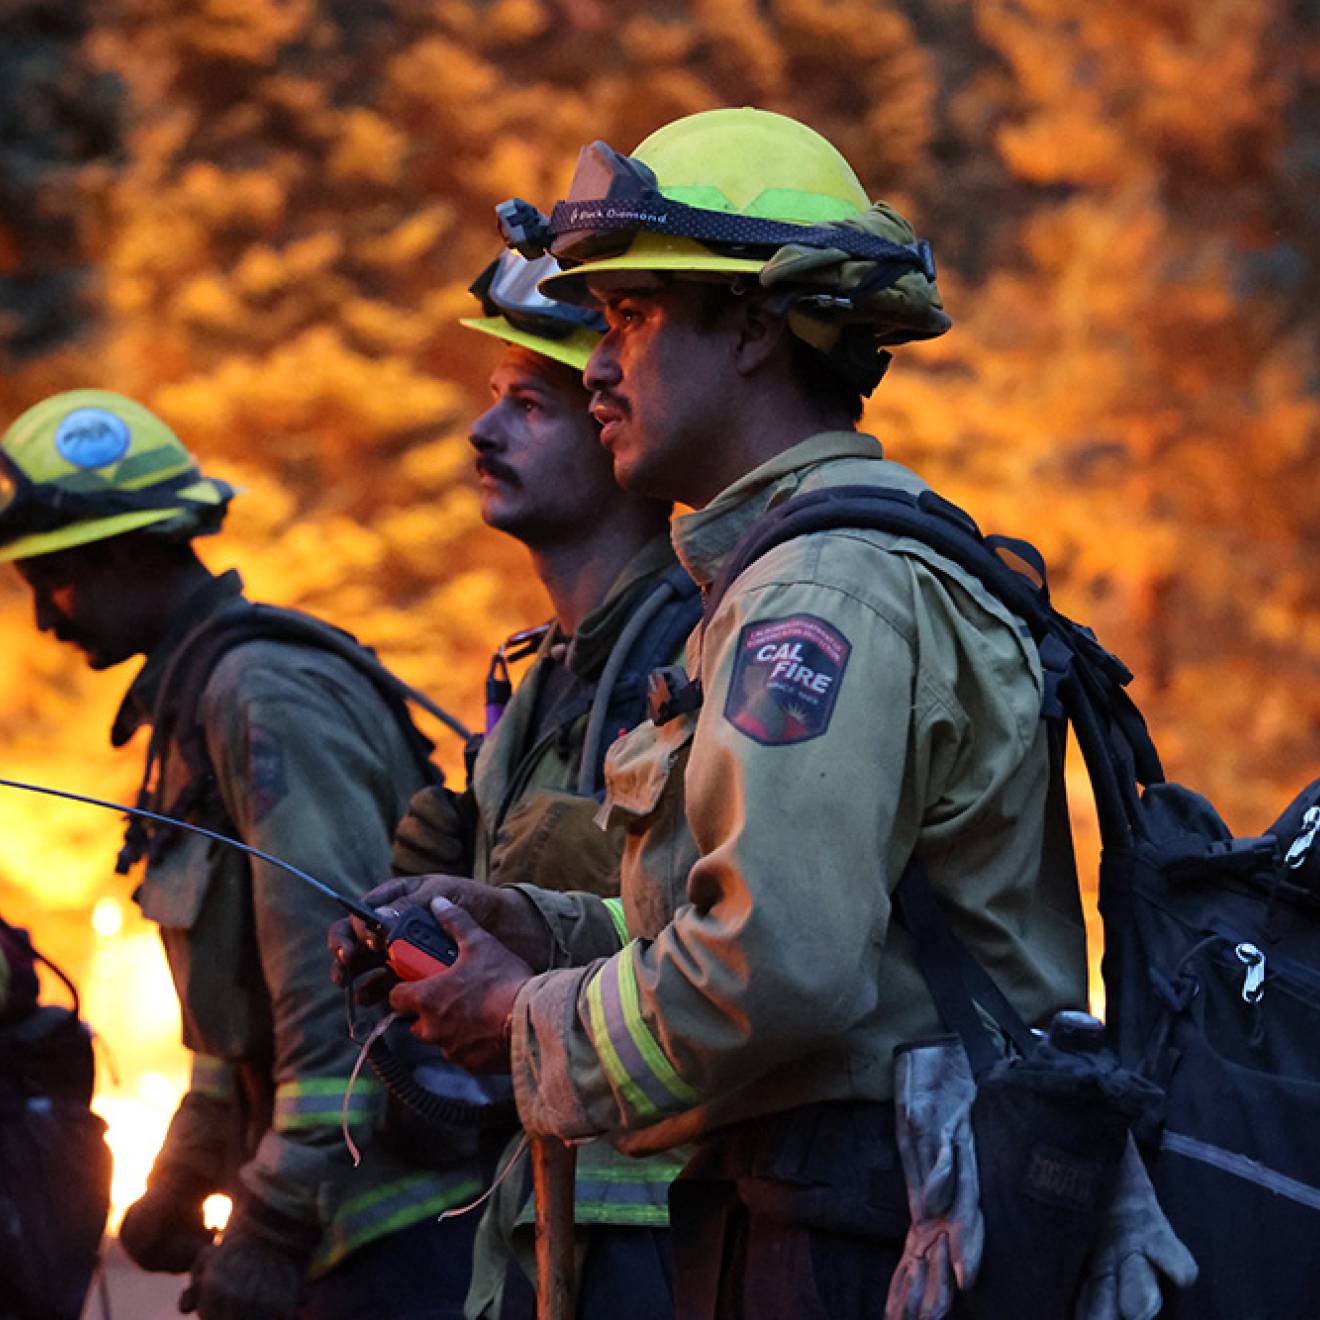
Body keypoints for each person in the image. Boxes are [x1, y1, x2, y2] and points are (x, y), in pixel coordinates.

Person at [342, 107, 1099, 1318]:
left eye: (632, 317)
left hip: (858, 1231)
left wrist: (520, 1021)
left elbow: (775, 970)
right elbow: (817, 928)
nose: (594, 363)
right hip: (850, 1206)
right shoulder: (802, 571)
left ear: (752, 331)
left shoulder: (818, 594)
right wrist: (545, 931)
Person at [0, 389, 480, 1319]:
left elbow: (337, 979)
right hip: (342, 1229)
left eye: (51, 580)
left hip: (403, 1238)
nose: (48, 622)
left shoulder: (262, 694)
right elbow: (240, 996)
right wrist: (186, 1165)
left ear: (127, 551)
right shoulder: (196, 707)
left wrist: (269, 1224)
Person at [350, 250, 701, 1318]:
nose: (483, 432)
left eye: (531, 405)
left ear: (610, 423)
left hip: (658, 1225)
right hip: (544, 1201)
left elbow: (716, 945)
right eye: (492, 399)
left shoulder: (692, 655)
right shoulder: (538, 675)